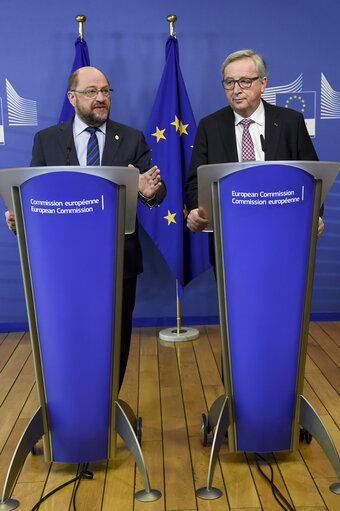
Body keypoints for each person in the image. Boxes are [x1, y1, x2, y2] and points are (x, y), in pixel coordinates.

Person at [5, 65, 166, 388]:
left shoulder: (131, 137)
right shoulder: (47, 140)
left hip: (118, 261)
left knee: (115, 339)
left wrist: (150, 192)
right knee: (66, 339)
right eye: (91, 92)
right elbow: (34, 194)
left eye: (105, 91)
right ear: (72, 97)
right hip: (61, 264)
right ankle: (68, 412)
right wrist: (19, 219)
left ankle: (107, 411)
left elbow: (155, 189)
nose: (101, 98)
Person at [185, 49, 324, 245]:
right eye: (229, 82)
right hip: (229, 237)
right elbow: (195, 182)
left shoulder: (290, 122)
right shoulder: (209, 126)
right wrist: (195, 210)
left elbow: (313, 177)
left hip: (285, 233)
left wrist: (315, 215)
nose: (236, 90)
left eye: (244, 81)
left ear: (263, 83)